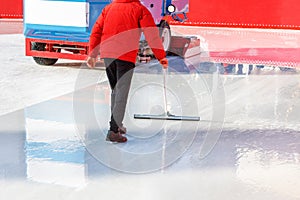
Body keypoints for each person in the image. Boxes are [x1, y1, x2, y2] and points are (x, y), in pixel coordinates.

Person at [86, 0, 168, 143]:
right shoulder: (140, 9)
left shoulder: (109, 8)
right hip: (125, 56)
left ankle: (118, 125)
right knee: (121, 94)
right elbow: (152, 35)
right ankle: (113, 131)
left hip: (108, 54)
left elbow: (96, 31)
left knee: (116, 91)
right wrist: (161, 56)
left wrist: (92, 54)